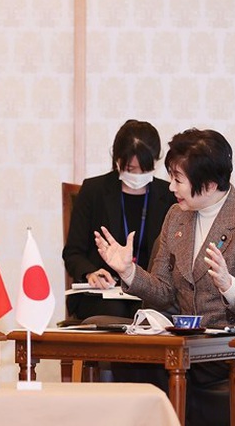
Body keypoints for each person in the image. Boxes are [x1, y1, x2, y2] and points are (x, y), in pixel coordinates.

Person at [95, 127, 235, 426]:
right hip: (187, 343)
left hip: (230, 346)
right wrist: (128, 272)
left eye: (178, 179)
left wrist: (229, 285)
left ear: (210, 183)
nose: (170, 188)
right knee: (131, 360)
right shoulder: (176, 216)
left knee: (165, 365)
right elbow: (164, 291)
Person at [62, 119, 176, 320]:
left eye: (145, 169)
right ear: (117, 160)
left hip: (148, 292)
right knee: (115, 313)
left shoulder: (168, 196)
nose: (138, 176)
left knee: (150, 314)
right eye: (131, 170)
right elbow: (73, 252)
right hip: (103, 292)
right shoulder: (94, 191)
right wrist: (91, 273)